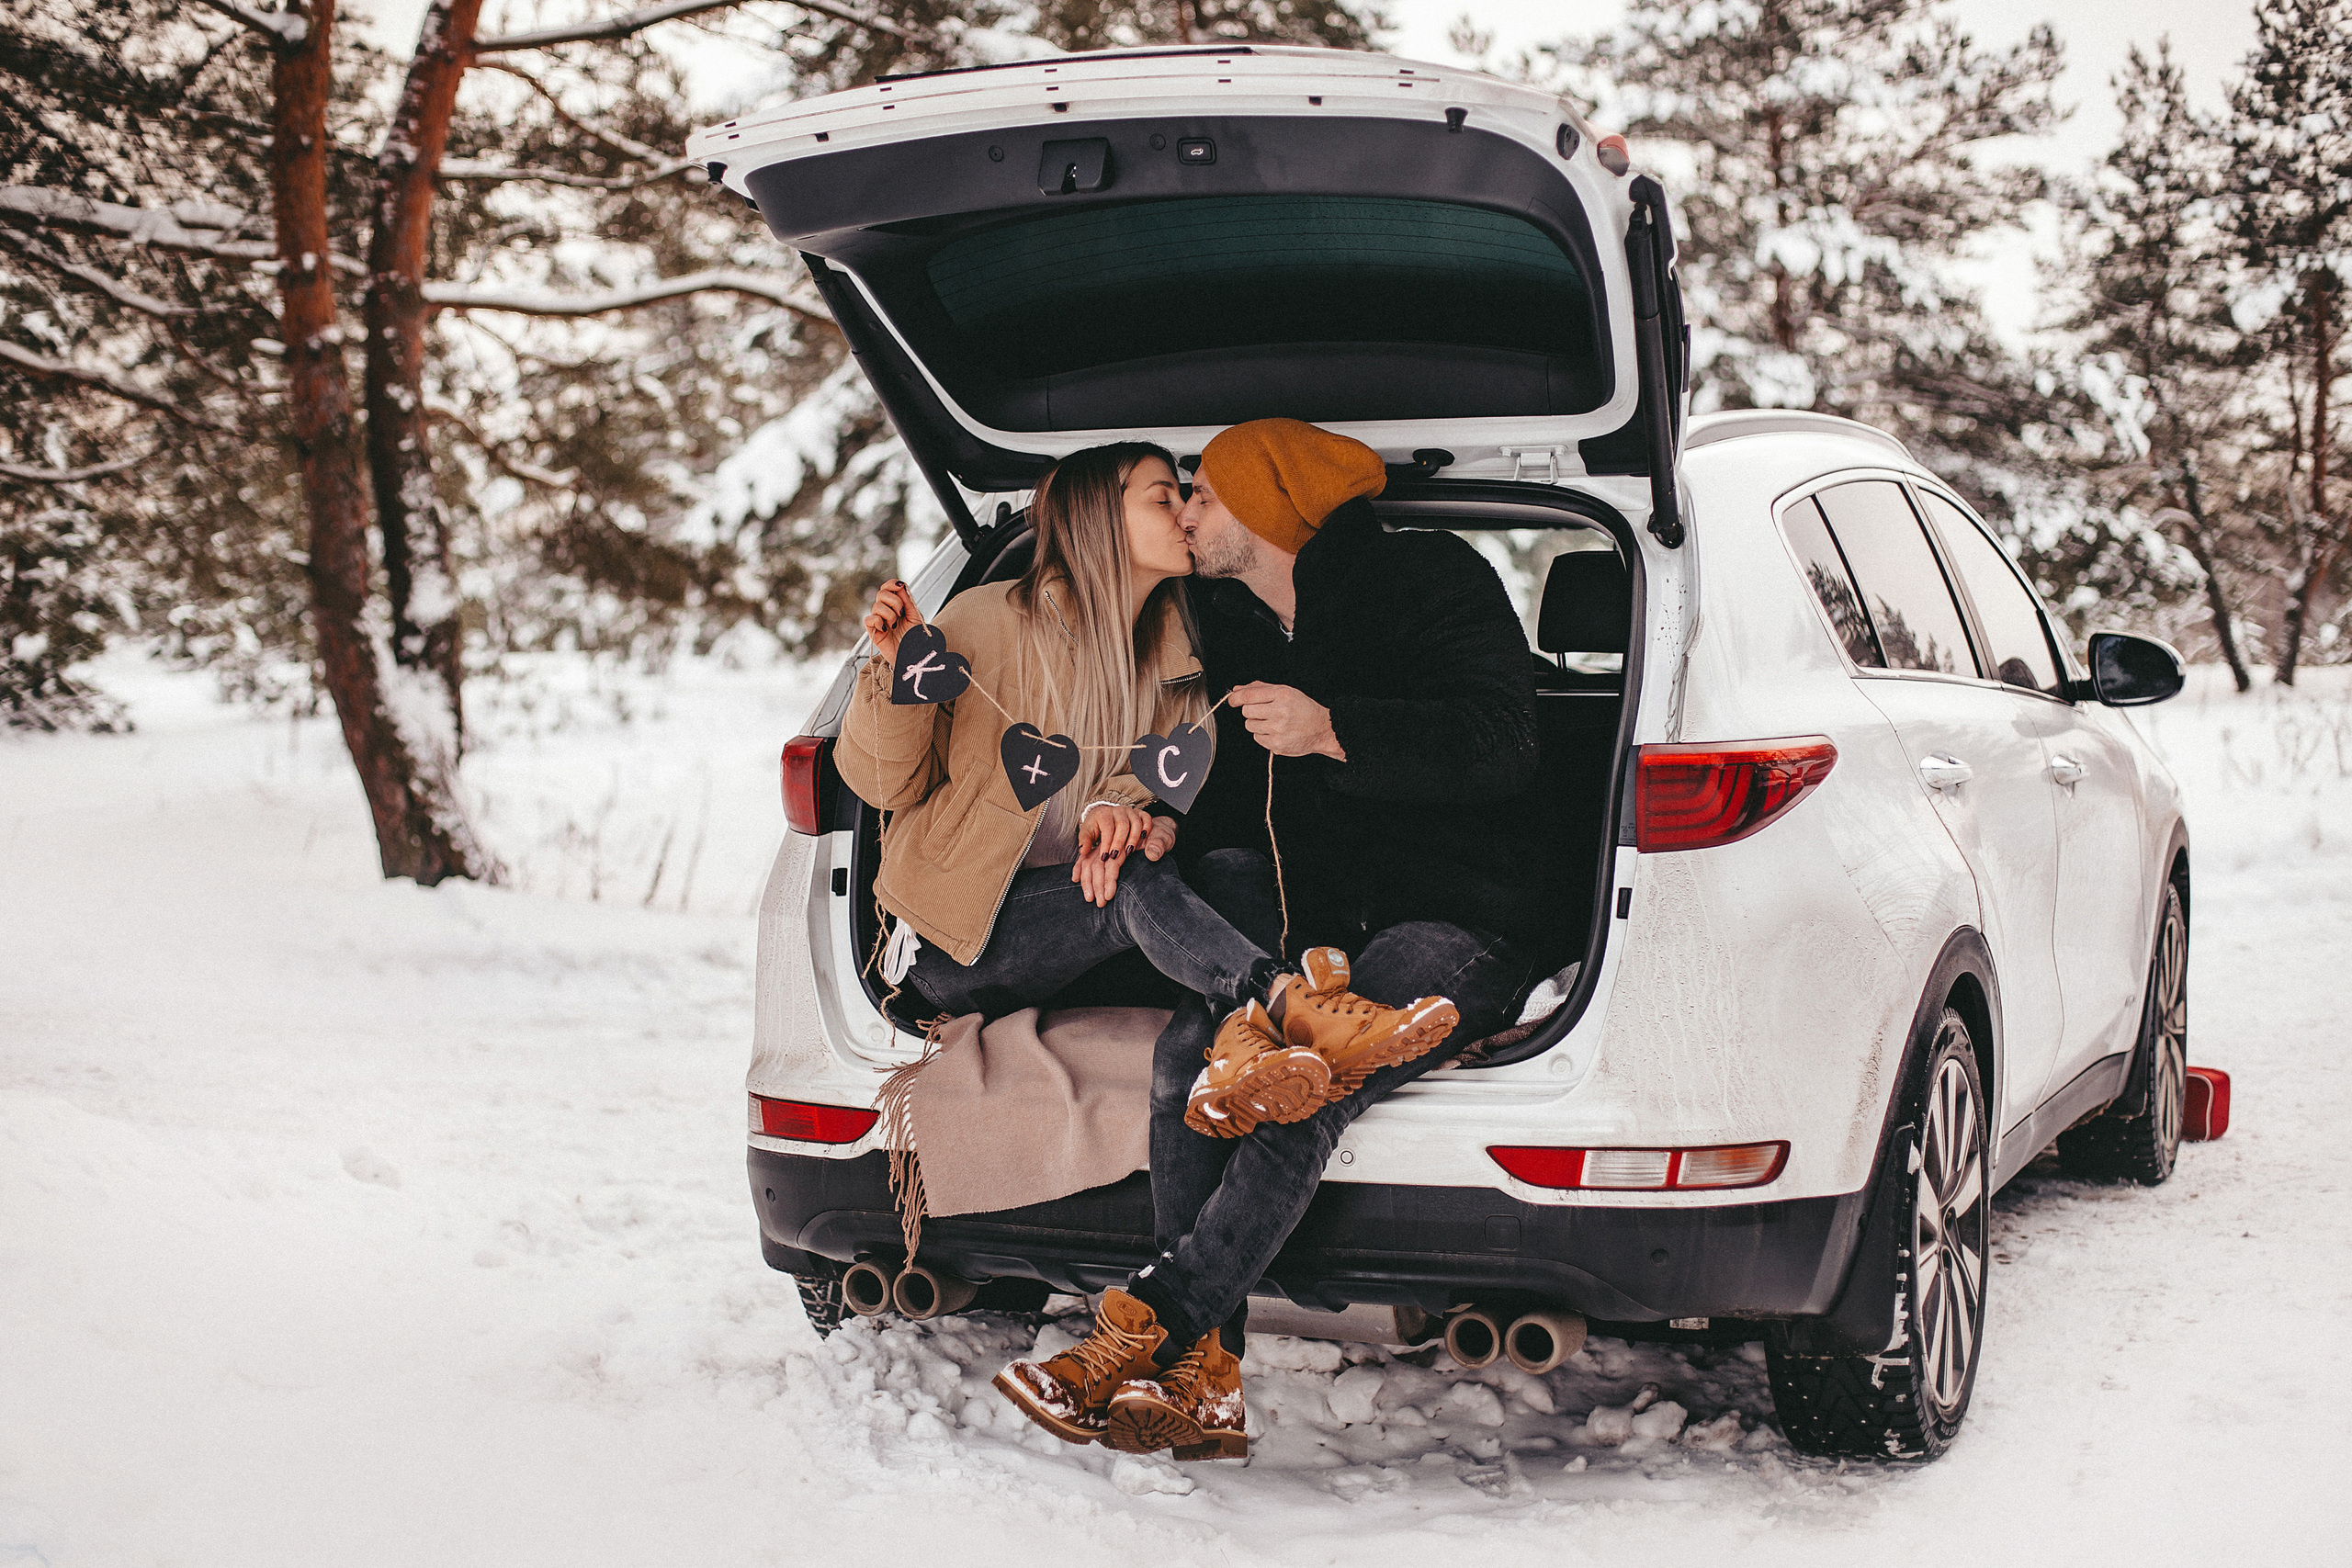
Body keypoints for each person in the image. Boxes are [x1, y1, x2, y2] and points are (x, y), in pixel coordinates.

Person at [839, 443, 1464, 1433]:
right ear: (1093, 517)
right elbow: (879, 785)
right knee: (1131, 889)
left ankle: (1202, 1374)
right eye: (1161, 496)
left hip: (1099, 913)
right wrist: (891, 675)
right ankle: (1284, 1006)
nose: (1182, 512)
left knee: (1206, 908)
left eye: (1185, 496)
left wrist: (1138, 819)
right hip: (967, 940)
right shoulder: (979, 621)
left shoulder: (1180, 643)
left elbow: (1166, 784)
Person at [992, 420, 1544, 1463]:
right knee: (1190, 1060)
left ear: (1268, 505)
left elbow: (1503, 746)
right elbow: (1226, 785)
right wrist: (1159, 821)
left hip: (1462, 909)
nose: (1186, 513)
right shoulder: (1225, 619)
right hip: (1309, 925)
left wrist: (1337, 729)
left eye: (1203, 495)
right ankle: (1205, 1390)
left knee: (1311, 1080)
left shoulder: (1429, 578)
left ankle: (1149, 1333)